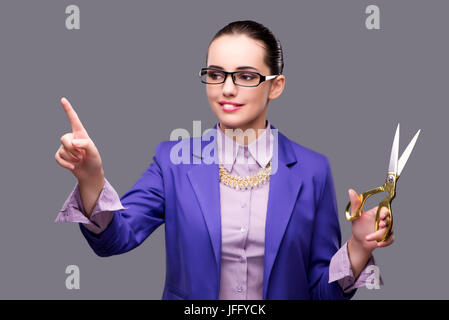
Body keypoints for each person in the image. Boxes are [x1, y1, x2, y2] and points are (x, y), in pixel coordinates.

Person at [55, 20, 393, 300]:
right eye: (216, 74)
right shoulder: (173, 161)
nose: (226, 89)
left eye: (245, 76)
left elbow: (322, 294)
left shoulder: (313, 171)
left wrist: (358, 249)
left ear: (275, 86)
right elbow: (115, 240)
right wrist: (91, 180)